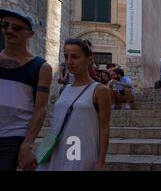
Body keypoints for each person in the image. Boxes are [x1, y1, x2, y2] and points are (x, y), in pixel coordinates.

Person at [37, 38, 111, 171]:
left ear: (89, 59)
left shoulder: (100, 90)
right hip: (55, 150)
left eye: (75, 57)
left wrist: (101, 162)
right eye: (66, 56)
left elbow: (104, 128)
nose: (69, 62)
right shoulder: (65, 89)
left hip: (80, 152)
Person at [0, 9, 52, 171]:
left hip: (13, 136)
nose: (9, 30)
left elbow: (41, 108)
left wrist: (27, 144)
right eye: (5, 25)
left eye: (16, 28)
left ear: (30, 34)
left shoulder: (41, 67)